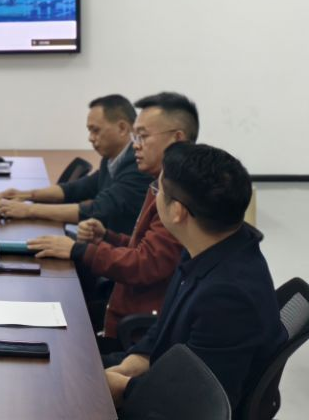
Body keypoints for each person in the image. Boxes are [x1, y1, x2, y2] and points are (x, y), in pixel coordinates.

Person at [105, 143, 285, 414]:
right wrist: (135, 361)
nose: (155, 197)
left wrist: (124, 388)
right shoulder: (208, 246)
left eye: (158, 190)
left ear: (177, 211)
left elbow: (197, 403)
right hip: (165, 378)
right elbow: (164, 328)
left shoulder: (228, 298)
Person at [27, 92, 194, 348]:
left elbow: (146, 264)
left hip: (138, 330)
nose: (135, 145)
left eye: (142, 136)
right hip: (122, 306)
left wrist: (78, 249)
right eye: (135, 136)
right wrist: (107, 236)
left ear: (177, 139)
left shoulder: (179, 197)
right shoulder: (157, 184)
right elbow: (143, 247)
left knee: (52, 339)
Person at [0, 95, 151, 234]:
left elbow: (96, 210)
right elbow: (78, 188)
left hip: (118, 252)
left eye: (95, 130)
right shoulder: (112, 158)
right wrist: (26, 195)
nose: (90, 138)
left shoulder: (138, 166)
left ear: (122, 128)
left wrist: (29, 210)